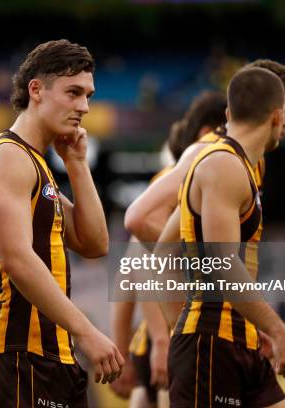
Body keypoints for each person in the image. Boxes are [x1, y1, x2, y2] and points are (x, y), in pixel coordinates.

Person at [120, 61, 285, 406]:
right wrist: (173, 332)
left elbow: (165, 252)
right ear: (275, 113)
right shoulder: (215, 159)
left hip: (234, 336)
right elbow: (141, 231)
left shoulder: (246, 162)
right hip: (208, 339)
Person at [0, 39, 124, 407]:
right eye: (73, 93)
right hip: (24, 351)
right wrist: (86, 331)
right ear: (35, 90)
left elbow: (95, 243)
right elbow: (17, 259)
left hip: (51, 353)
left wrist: (76, 163)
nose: (84, 107)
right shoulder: (9, 156)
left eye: (88, 95)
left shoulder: (35, 163)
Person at [110, 90, 227, 408]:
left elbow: (127, 272)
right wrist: (163, 337)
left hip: (166, 337)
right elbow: (137, 255)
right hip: (175, 338)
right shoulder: (186, 178)